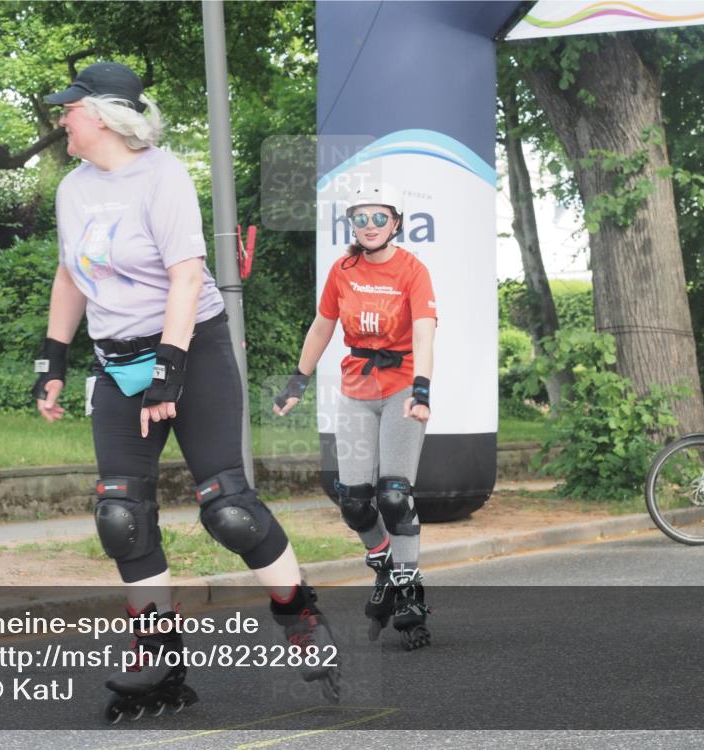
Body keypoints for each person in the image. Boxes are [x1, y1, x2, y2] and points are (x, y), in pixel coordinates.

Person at [32, 61, 339, 719]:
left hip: (190, 349)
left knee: (227, 506)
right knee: (121, 515)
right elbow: (70, 275)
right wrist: (51, 359)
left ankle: (300, 616)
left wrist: (169, 367)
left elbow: (185, 275)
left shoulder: (163, 175)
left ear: (105, 116)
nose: (61, 119)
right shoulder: (73, 189)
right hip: (117, 363)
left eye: (70, 109)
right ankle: (158, 654)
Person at [274, 182, 437, 650]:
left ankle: (409, 591)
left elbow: (424, 334)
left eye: (378, 217)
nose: (369, 226)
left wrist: (422, 390)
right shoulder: (342, 270)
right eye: (360, 218)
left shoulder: (413, 271)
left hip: (403, 387)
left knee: (393, 496)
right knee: (354, 501)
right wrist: (297, 383)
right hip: (356, 387)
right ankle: (383, 565)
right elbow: (323, 325)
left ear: (397, 222)